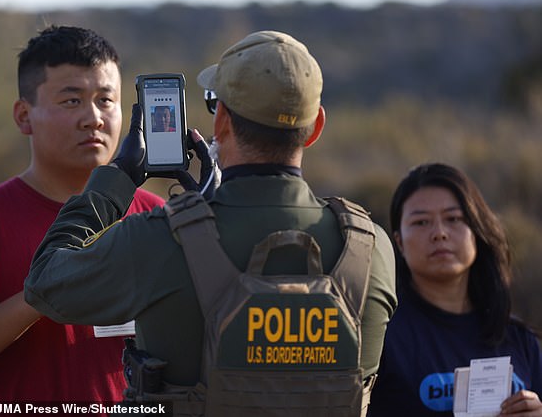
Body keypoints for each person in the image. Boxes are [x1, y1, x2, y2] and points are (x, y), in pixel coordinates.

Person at [24, 30, 397, 416]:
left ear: (221, 121)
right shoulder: (371, 248)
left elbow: (46, 284)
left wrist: (113, 184)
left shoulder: (160, 239)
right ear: (316, 126)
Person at [0, 25, 164, 404]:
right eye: (71, 101)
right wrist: (40, 295)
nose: (93, 118)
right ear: (23, 116)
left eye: (106, 100)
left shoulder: (154, 216)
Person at [367, 163, 542, 416]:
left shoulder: (519, 339)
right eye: (421, 222)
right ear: (399, 242)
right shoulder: (380, 335)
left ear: (477, 230)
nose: (439, 233)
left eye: (454, 219)